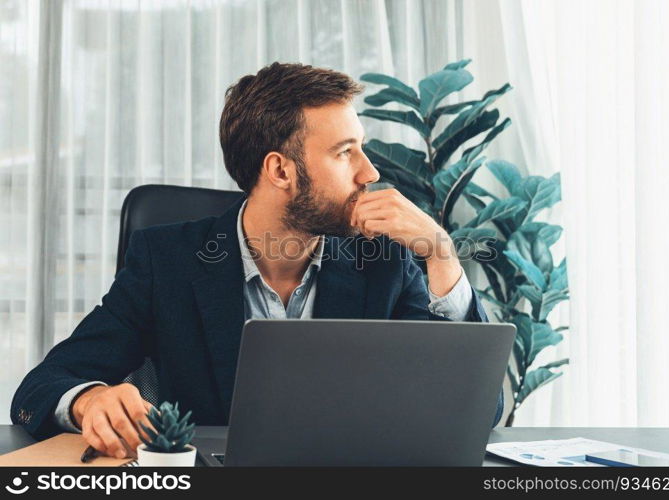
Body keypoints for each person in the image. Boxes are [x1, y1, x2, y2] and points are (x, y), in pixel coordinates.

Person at [12, 62, 503, 458]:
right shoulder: (167, 261)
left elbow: (475, 412)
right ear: (280, 170)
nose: (369, 172)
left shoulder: (383, 261)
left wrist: (442, 256)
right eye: (345, 153)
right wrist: (90, 398)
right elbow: (40, 389)